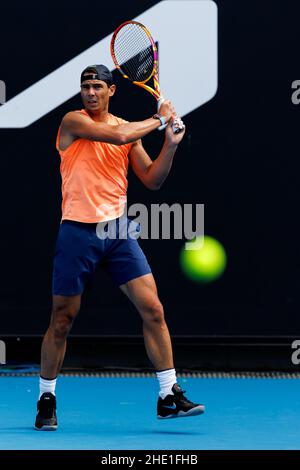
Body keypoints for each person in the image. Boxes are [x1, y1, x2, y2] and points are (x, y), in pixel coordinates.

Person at [34, 64, 205, 430]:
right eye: (85, 87)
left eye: (97, 86)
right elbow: (116, 136)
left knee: (153, 310)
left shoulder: (129, 130)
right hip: (77, 232)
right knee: (62, 320)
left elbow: (152, 180)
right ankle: (46, 397)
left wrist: (170, 146)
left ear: (112, 91)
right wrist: (159, 120)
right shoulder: (73, 122)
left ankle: (167, 393)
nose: (90, 93)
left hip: (118, 231)